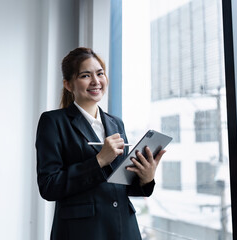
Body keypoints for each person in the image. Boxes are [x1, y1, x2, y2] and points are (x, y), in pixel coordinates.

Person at [35, 47, 165, 240]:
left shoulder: (116, 123)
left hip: (124, 228)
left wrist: (146, 177)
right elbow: (49, 186)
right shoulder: (53, 122)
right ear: (68, 84)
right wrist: (98, 161)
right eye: (86, 75)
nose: (96, 81)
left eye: (100, 73)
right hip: (83, 232)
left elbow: (122, 186)